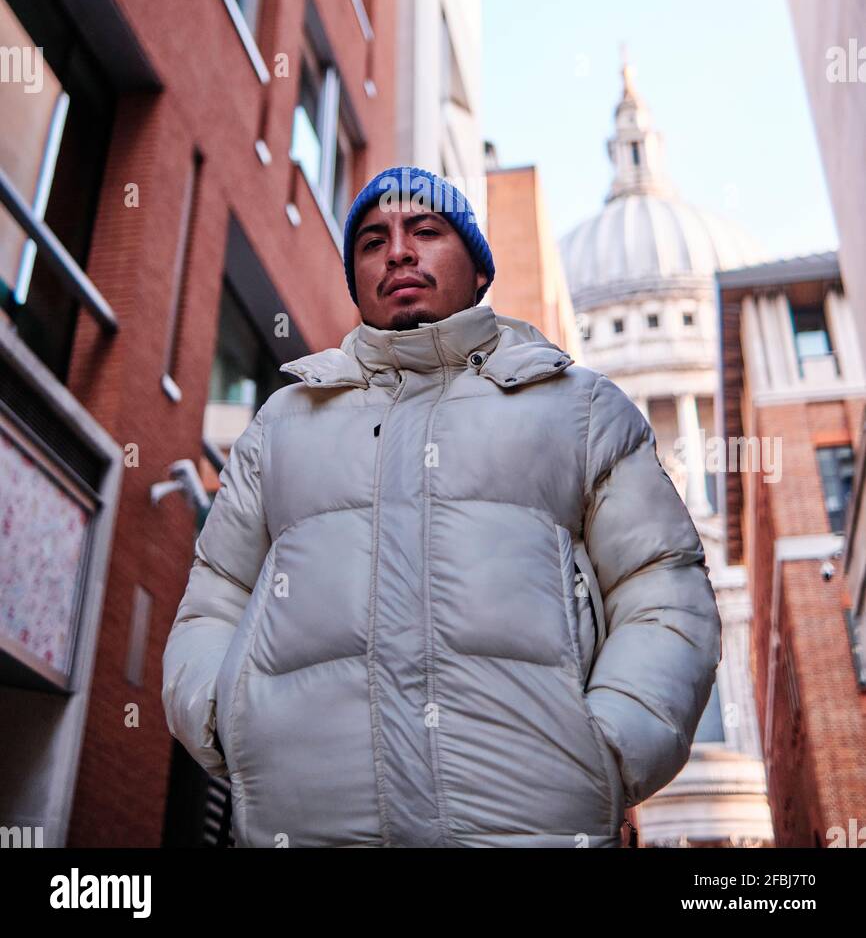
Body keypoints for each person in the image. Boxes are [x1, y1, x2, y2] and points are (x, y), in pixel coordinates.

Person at [162, 165, 722, 848]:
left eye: (425, 231)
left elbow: (662, 587)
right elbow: (214, 595)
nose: (398, 251)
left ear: (479, 269)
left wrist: (605, 747)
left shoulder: (578, 407)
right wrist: (228, 725)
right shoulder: (284, 424)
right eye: (372, 241)